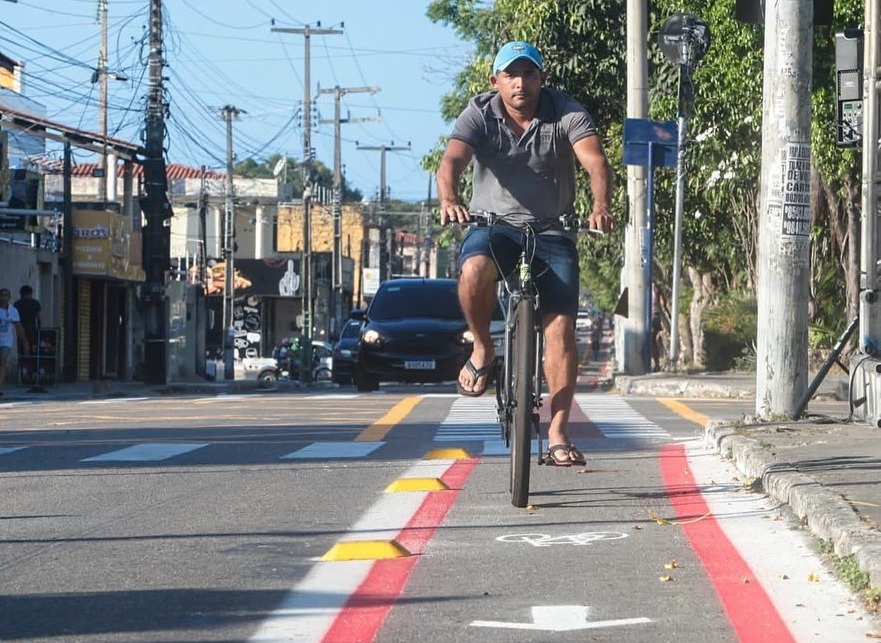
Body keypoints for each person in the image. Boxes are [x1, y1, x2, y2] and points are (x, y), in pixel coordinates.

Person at [437, 41, 613, 467]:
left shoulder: (565, 111)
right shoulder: (479, 112)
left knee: (561, 331)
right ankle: (483, 348)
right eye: (511, 75)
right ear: (495, 80)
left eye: (529, 74)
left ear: (542, 79)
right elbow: (450, 162)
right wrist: (449, 197)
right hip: (493, 227)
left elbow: (595, 161)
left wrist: (600, 206)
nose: (520, 83)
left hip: (552, 231)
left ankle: (558, 431)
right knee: (473, 268)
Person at [0, 287, 29, 398]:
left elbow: (18, 327)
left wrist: (24, 342)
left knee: (2, 360)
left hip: (6, 341)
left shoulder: (13, 311)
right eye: (2, 295)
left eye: (6, 295)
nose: (4, 298)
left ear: (9, 298)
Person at [14, 285, 41, 354]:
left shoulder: (17, 303)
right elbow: (39, 317)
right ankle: (30, 362)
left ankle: (22, 363)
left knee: (21, 349)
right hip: (32, 328)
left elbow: (15, 319)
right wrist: (39, 328)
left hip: (21, 328)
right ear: (31, 293)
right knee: (33, 349)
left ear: (21, 293)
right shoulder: (35, 303)